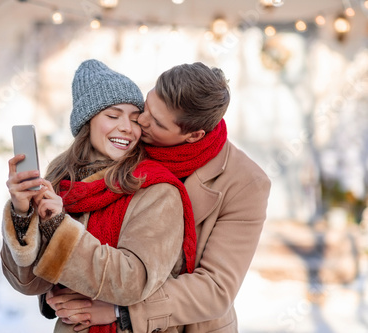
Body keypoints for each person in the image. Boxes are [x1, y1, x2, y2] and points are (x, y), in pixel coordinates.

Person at [46, 62, 272, 332]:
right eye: (147, 106)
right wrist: (60, 286)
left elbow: (216, 289)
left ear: (193, 135)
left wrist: (122, 310)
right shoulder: (130, 140)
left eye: (156, 122)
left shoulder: (246, 183)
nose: (140, 121)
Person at [0, 59, 199, 332]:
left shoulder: (155, 188)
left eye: (134, 118)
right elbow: (29, 284)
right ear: (87, 122)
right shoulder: (60, 183)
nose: (127, 127)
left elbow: (133, 281)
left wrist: (59, 227)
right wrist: (22, 215)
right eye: (113, 115)